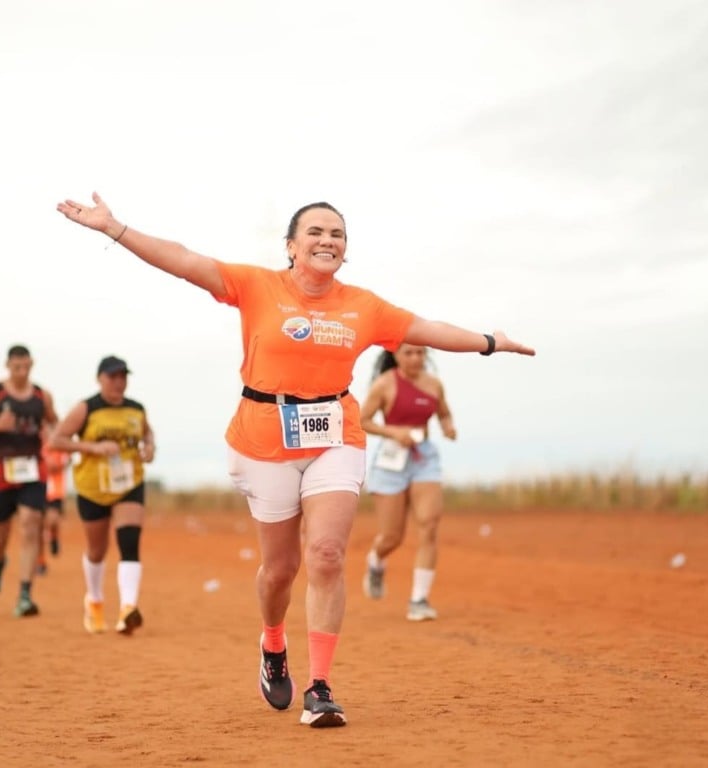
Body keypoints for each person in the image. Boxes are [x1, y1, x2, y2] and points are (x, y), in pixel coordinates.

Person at [56, 191, 535, 727]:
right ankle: (273, 643)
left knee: (327, 554)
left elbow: (428, 329)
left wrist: (489, 341)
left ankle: (320, 687)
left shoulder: (364, 306)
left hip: (335, 434)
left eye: (338, 234)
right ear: (291, 245)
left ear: (346, 249)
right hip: (264, 439)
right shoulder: (256, 285)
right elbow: (184, 261)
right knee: (281, 569)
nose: (328, 240)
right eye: (316, 232)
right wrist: (115, 229)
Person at [48, 355, 155, 636]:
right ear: (100, 379)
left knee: (129, 542)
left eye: (123, 376)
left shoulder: (136, 409)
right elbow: (56, 440)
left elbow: (147, 434)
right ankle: (94, 600)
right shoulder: (87, 408)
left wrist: (149, 448)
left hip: (128, 483)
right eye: (113, 377)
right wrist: (93, 448)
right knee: (97, 550)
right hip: (92, 488)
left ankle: (128, 609)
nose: (119, 382)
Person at [359, 345, 457, 621]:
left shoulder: (434, 384)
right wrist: (393, 432)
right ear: (396, 355)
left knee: (429, 525)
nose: (415, 358)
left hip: (424, 457)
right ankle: (376, 560)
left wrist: (448, 426)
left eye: (420, 353)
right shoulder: (384, 384)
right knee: (392, 536)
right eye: (409, 353)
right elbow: (363, 420)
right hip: (391, 459)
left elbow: (444, 413)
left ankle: (419, 600)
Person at [0, 345, 58, 617]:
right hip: (0, 470)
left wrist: (52, 438)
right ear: (8, 366)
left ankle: (25, 594)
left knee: (31, 524)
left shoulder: (42, 396)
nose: (22, 372)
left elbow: (55, 423)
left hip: (32, 468)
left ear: (32, 364)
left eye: (26, 367)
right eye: (17, 367)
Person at [36, 436, 71, 575]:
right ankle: (40, 561)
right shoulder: (35, 446)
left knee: (53, 520)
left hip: (55, 491)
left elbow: (61, 464)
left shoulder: (60, 448)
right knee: (38, 528)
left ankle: (54, 537)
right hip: (38, 490)